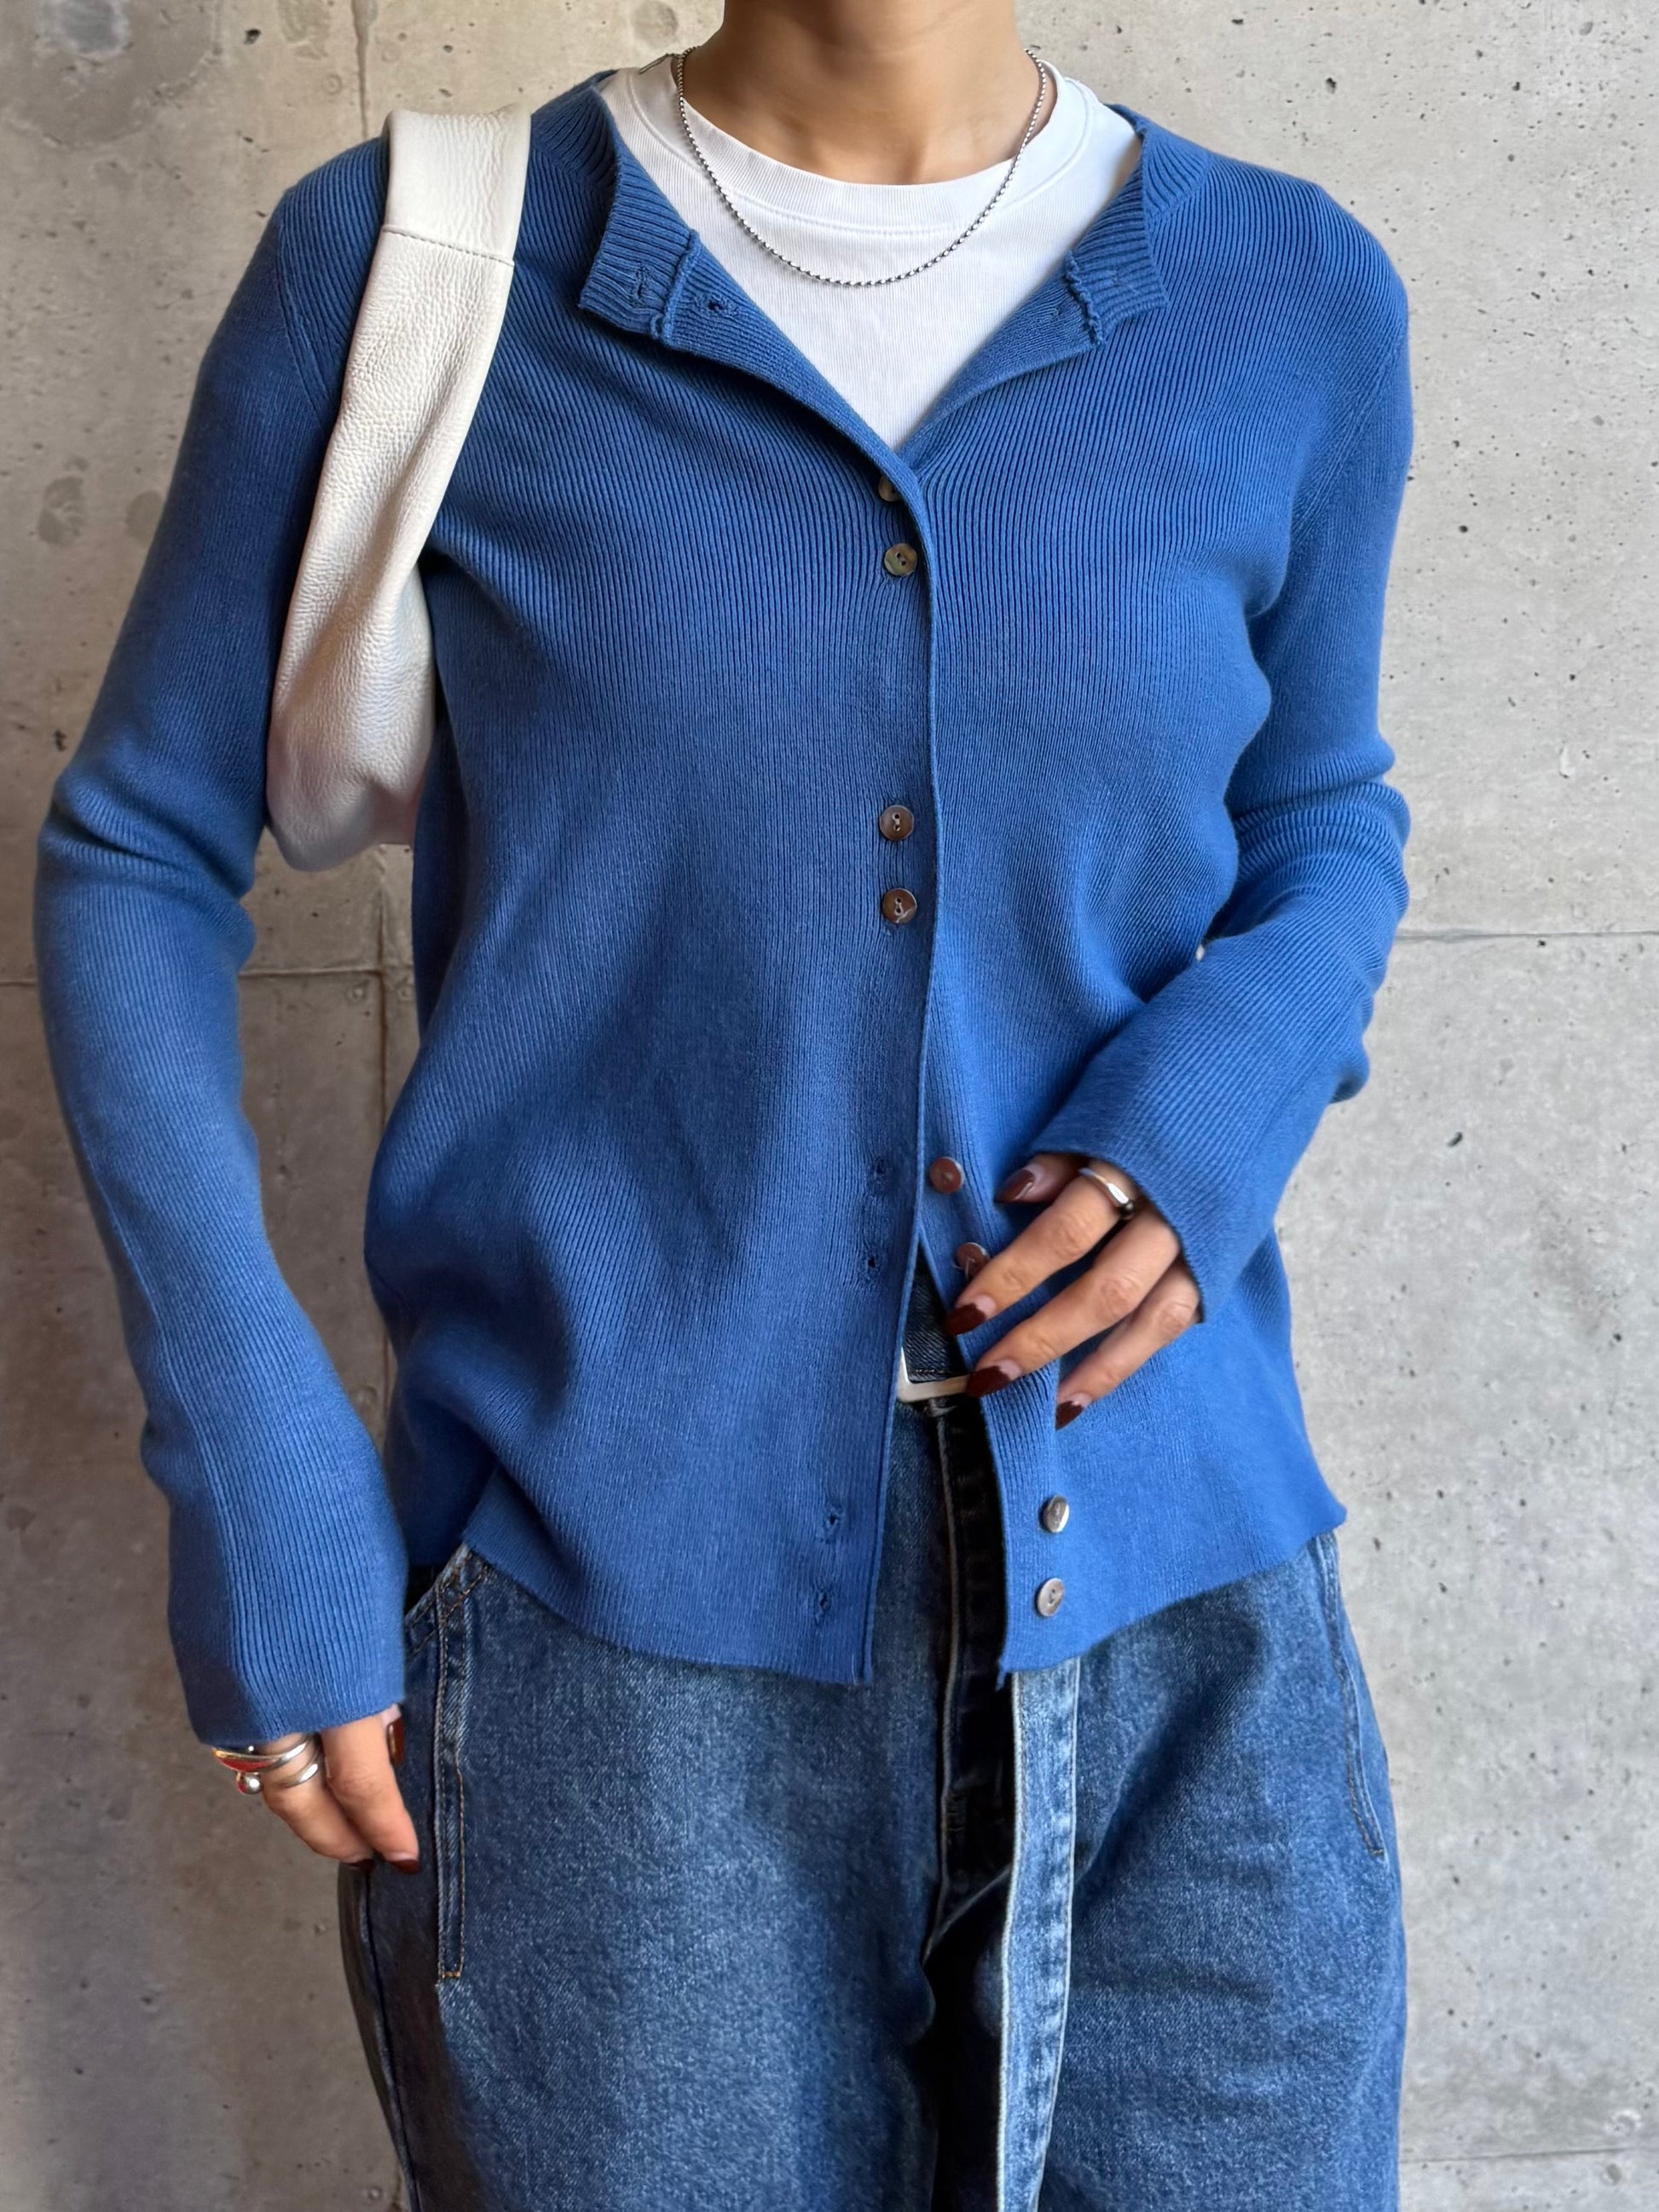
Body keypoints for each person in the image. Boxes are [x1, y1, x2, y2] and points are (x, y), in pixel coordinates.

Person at [32, 1, 1416, 2204]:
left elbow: (1321, 817)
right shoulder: (418, 263)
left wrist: (1218, 1099)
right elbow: (136, 848)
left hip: (1190, 1628)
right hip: (602, 1650)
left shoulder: (1293, 293)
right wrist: (256, 1456)